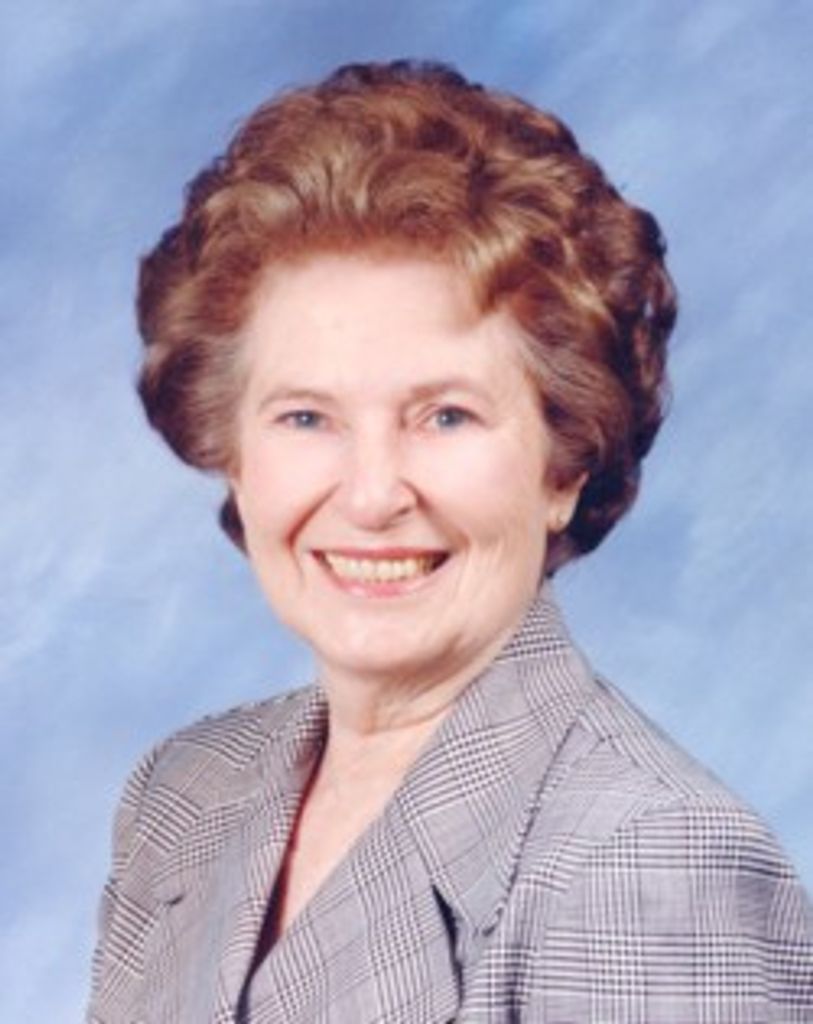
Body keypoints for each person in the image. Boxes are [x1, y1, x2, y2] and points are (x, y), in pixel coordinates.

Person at [87, 60, 812, 1023]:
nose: (372, 495)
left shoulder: (650, 862)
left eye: (445, 417)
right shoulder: (182, 798)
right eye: (305, 418)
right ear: (232, 457)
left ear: (564, 466)